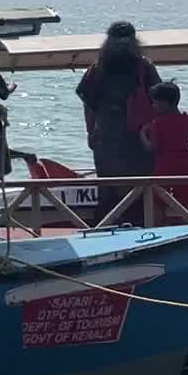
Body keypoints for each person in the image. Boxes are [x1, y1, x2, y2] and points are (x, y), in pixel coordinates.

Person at [73, 21, 163, 224]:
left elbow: (88, 104)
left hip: (108, 136)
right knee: (138, 189)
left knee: (109, 188)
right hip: (139, 138)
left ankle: (104, 231)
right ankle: (141, 232)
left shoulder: (98, 69)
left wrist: (90, 132)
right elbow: (160, 100)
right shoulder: (145, 67)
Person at [138, 81, 188, 222]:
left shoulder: (157, 124)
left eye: (155, 103)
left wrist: (143, 135)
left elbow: (154, 148)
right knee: (187, 202)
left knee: (157, 201)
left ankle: (158, 229)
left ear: (164, 103)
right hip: (184, 166)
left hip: (163, 166)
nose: (153, 106)